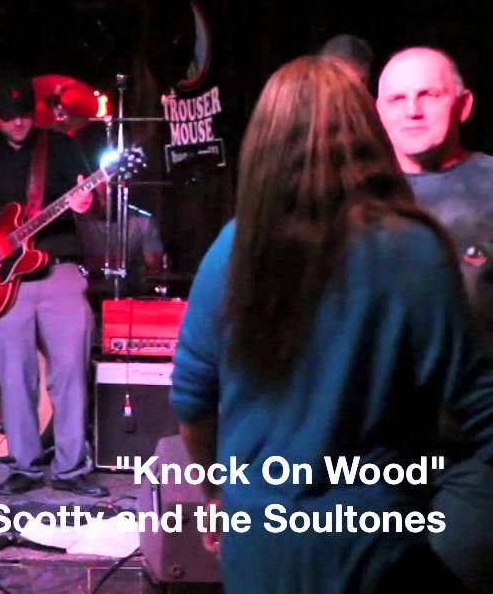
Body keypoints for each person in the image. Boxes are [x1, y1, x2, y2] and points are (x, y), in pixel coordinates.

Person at [171, 56, 493, 593]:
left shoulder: (233, 247)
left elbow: (191, 400)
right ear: (366, 132)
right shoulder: (412, 248)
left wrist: (216, 494)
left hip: (258, 545)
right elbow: (477, 401)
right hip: (371, 547)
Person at [0, 70, 110, 497]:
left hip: (59, 268)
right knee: (14, 376)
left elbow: (94, 204)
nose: (18, 122)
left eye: (24, 114)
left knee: (70, 371)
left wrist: (88, 202)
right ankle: (25, 464)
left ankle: (71, 468)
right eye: (8, 115)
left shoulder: (62, 147)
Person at [377, 46, 493, 592]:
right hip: (371, 459)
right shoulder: (353, 197)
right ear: (378, 112)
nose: (413, 109)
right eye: (397, 98)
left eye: (429, 94)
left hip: (473, 456)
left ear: (463, 105)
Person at [74, 180, 166, 298]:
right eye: (104, 181)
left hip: (128, 295)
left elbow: (154, 270)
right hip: (83, 296)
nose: (110, 187)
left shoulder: (143, 221)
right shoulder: (79, 219)